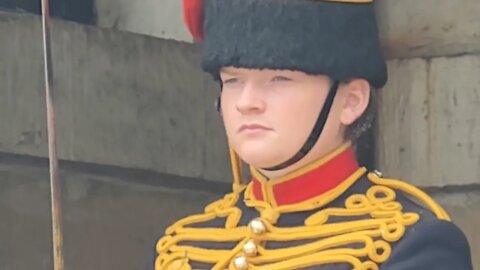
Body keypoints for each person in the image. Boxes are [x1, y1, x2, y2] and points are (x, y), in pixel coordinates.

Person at [152, 0, 473, 269]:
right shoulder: (181, 248)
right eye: (233, 81)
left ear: (351, 100)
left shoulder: (411, 246)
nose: (247, 102)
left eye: (279, 79)